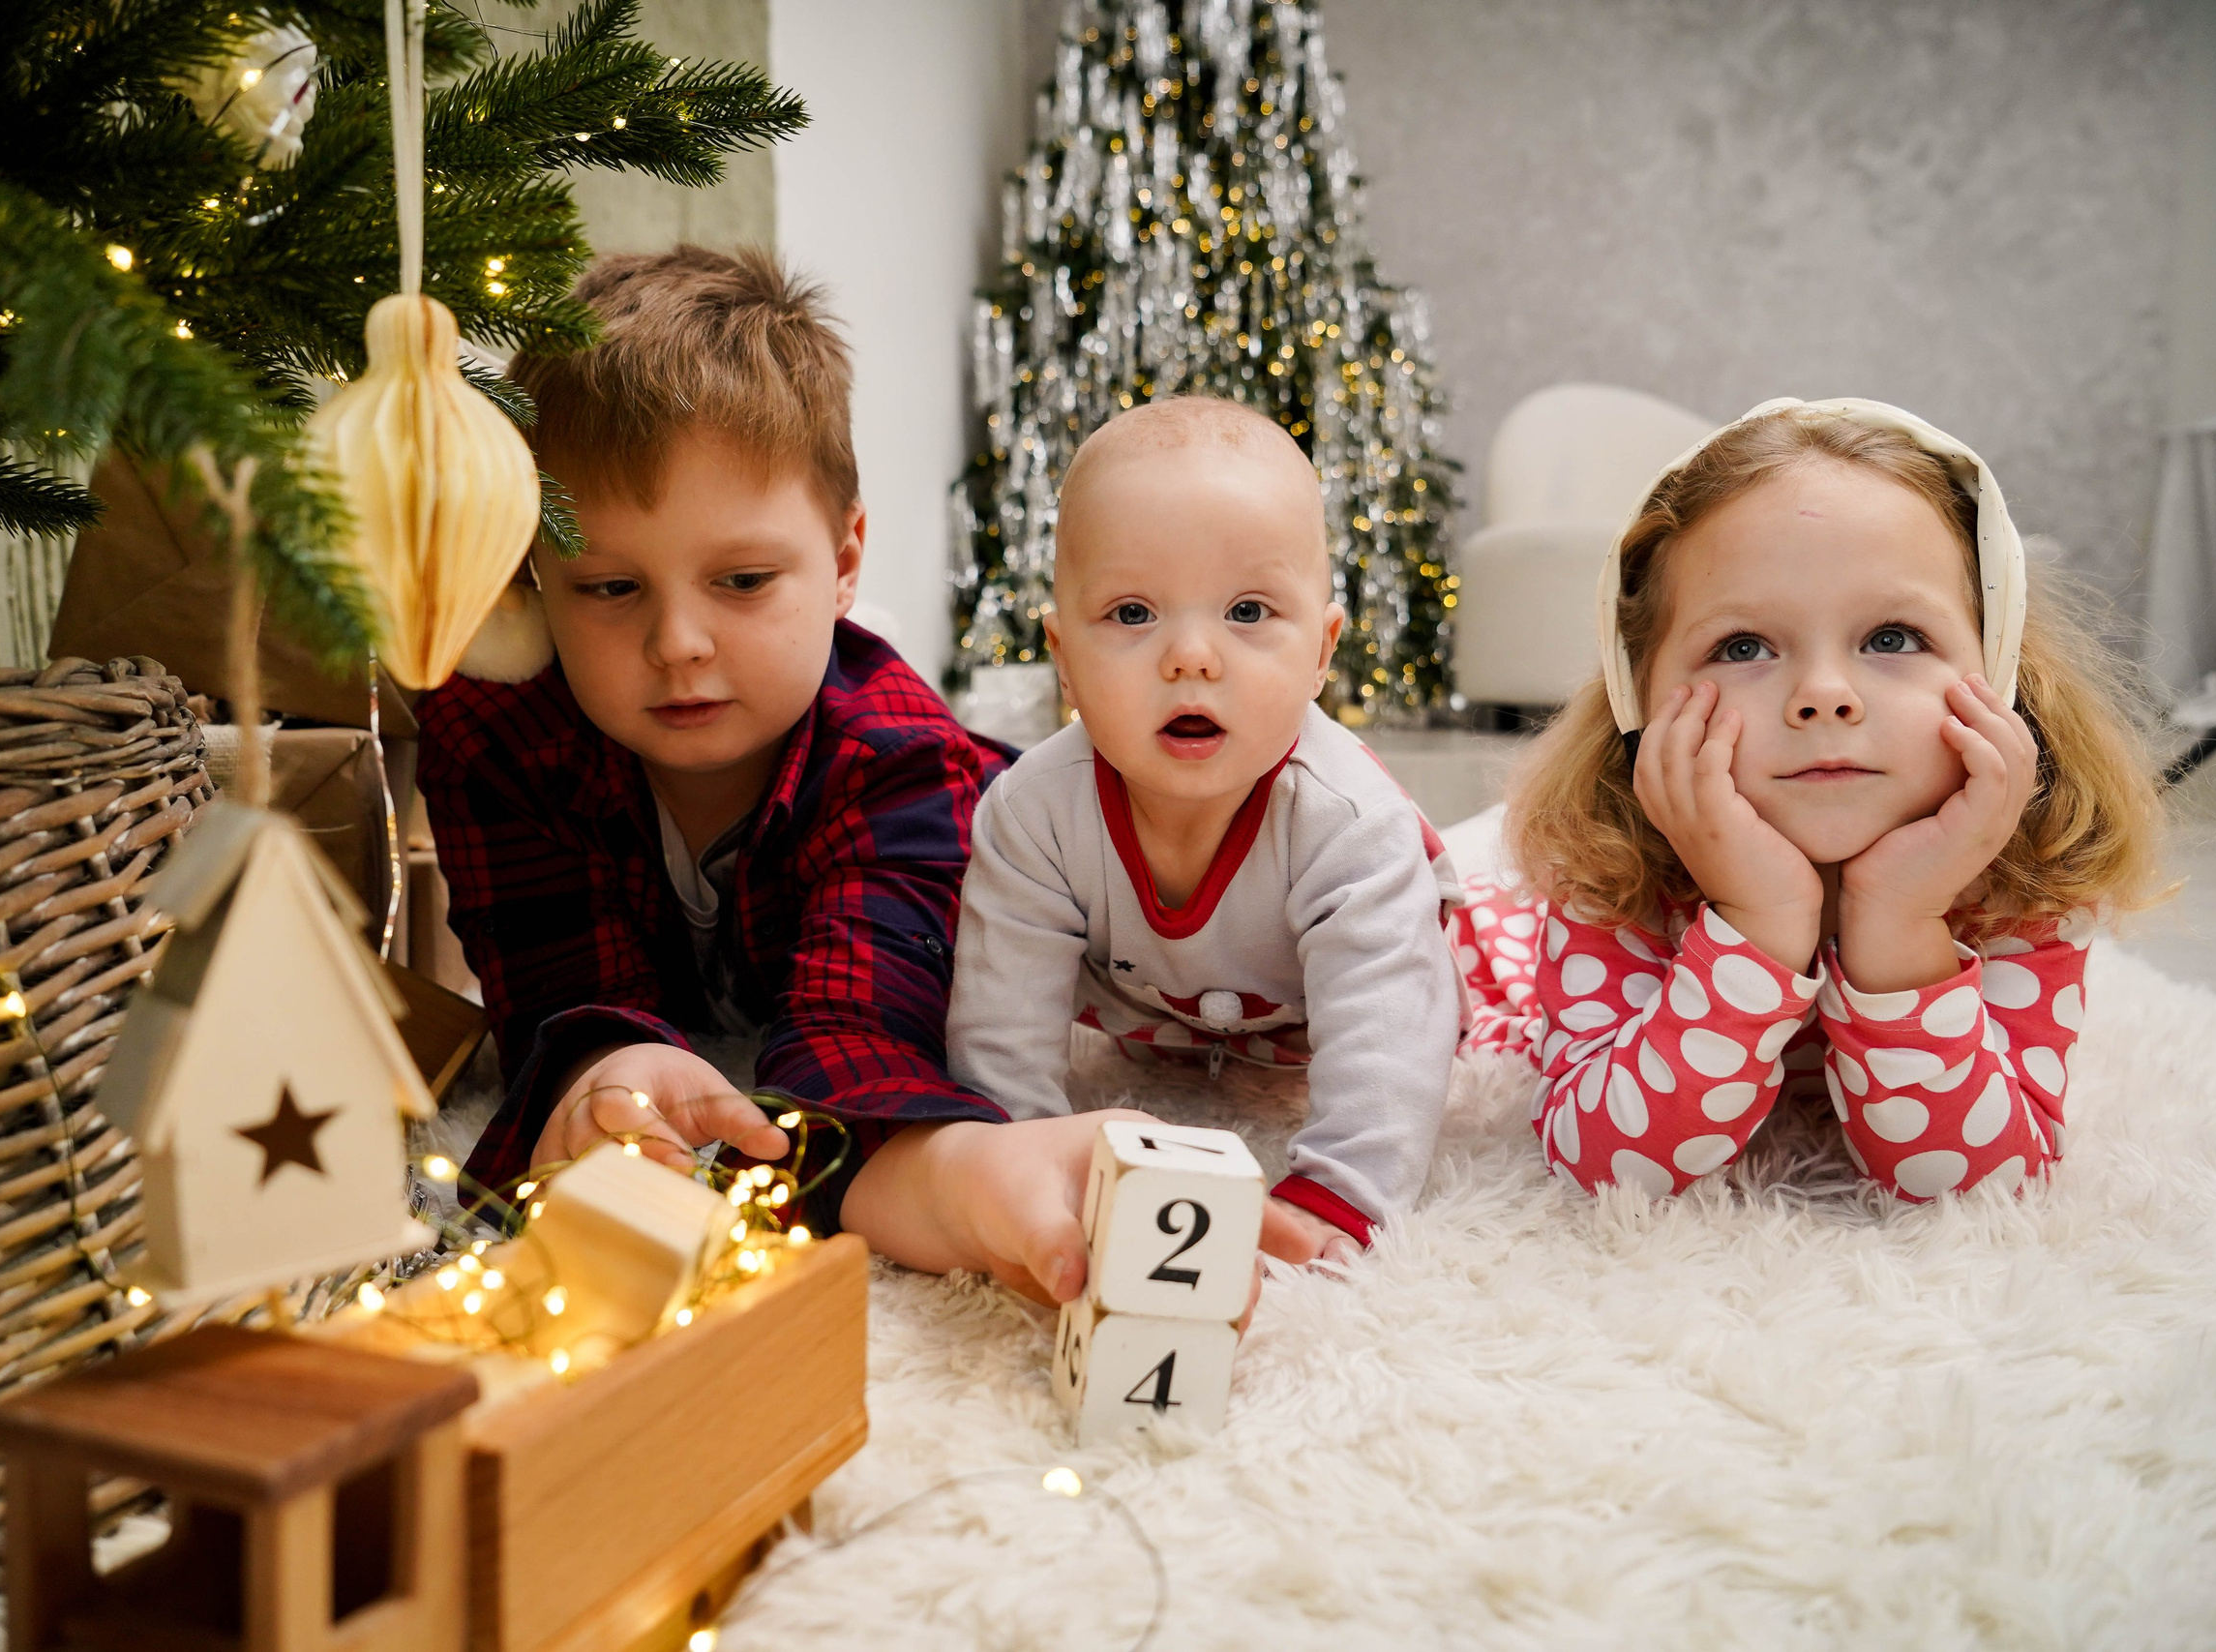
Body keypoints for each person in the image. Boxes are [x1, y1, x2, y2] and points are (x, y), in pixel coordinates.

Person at [418, 246, 1156, 1307]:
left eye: (743, 580)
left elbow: (862, 1048)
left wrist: (958, 1174)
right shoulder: (499, 740)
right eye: (612, 587)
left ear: (845, 561)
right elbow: (555, 994)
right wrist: (601, 1073)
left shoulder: (905, 767)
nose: (678, 643)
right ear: (531, 583)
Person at [1458, 399, 2165, 1200]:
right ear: (1639, 697)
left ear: (1998, 674)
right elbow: (1609, 1167)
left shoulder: (2025, 867)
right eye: (1743, 646)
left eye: (1892, 637)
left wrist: (1901, 920)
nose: (1824, 694)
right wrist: (1758, 917)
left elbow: (1985, 1185)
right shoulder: (1607, 865)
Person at [945, 398, 1463, 1265]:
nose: (1191, 655)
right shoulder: (1033, 813)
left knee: (1449, 978)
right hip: (1163, 1015)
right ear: (1063, 658)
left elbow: (1389, 1045)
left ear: (1322, 651)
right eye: (1132, 613)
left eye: (1249, 612)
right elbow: (1000, 1036)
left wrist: (1339, 1198)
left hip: (1324, 1001)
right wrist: (1017, 1166)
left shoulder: (1349, 824)